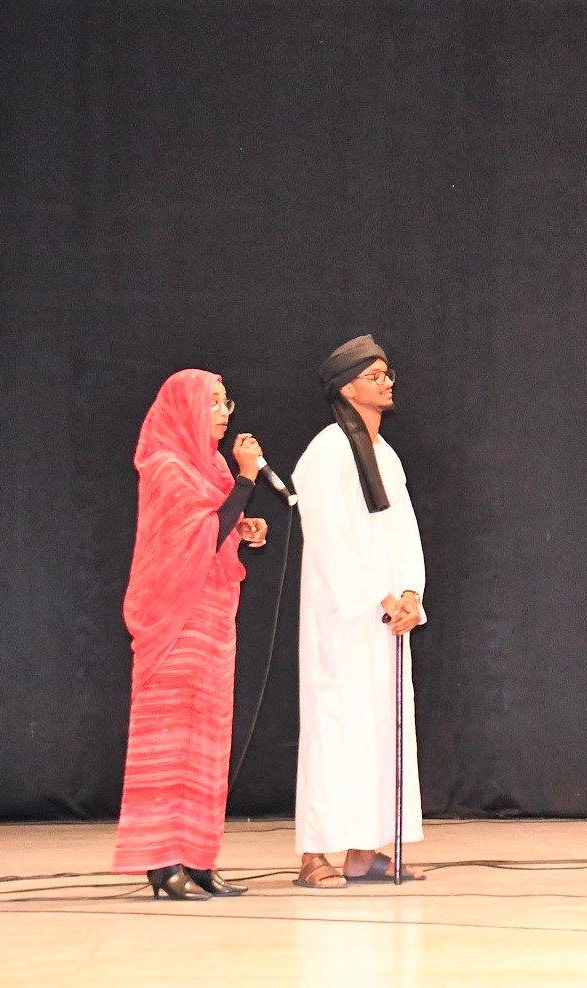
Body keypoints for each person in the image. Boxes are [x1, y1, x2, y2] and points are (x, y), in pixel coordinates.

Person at [114, 369, 270, 900]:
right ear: (185, 409)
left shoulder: (213, 465)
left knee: (208, 737)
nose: (224, 413)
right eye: (214, 403)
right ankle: (162, 861)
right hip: (174, 620)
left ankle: (198, 857)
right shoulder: (166, 465)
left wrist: (244, 527)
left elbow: (217, 527)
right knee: (170, 736)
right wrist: (246, 481)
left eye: (227, 403)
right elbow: (195, 532)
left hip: (212, 617)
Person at [292, 334, 428, 888]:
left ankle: (364, 852)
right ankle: (313, 855)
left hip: (387, 616)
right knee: (334, 728)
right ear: (347, 389)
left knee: (380, 729)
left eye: (387, 373)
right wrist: (378, 595)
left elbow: (404, 531)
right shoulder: (327, 451)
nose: (387, 381)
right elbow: (330, 537)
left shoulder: (386, 455)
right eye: (375, 375)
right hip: (343, 615)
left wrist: (411, 593)